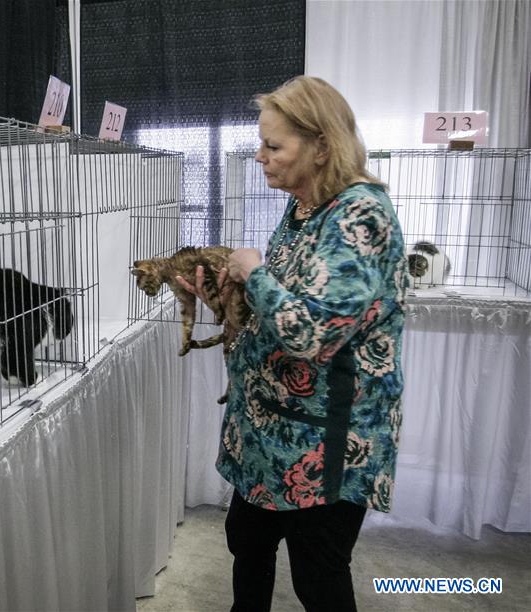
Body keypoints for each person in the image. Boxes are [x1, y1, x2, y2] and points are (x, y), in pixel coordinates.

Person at [177, 76, 408, 612]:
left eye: (273, 146)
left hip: (324, 442)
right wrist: (220, 295)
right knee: (248, 544)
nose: (260, 156)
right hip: (269, 431)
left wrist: (254, 270)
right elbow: (274, 312)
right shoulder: (303, 207)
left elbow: (313, 333)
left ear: (322, 146)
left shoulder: (360, 215)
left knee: (318, 576)